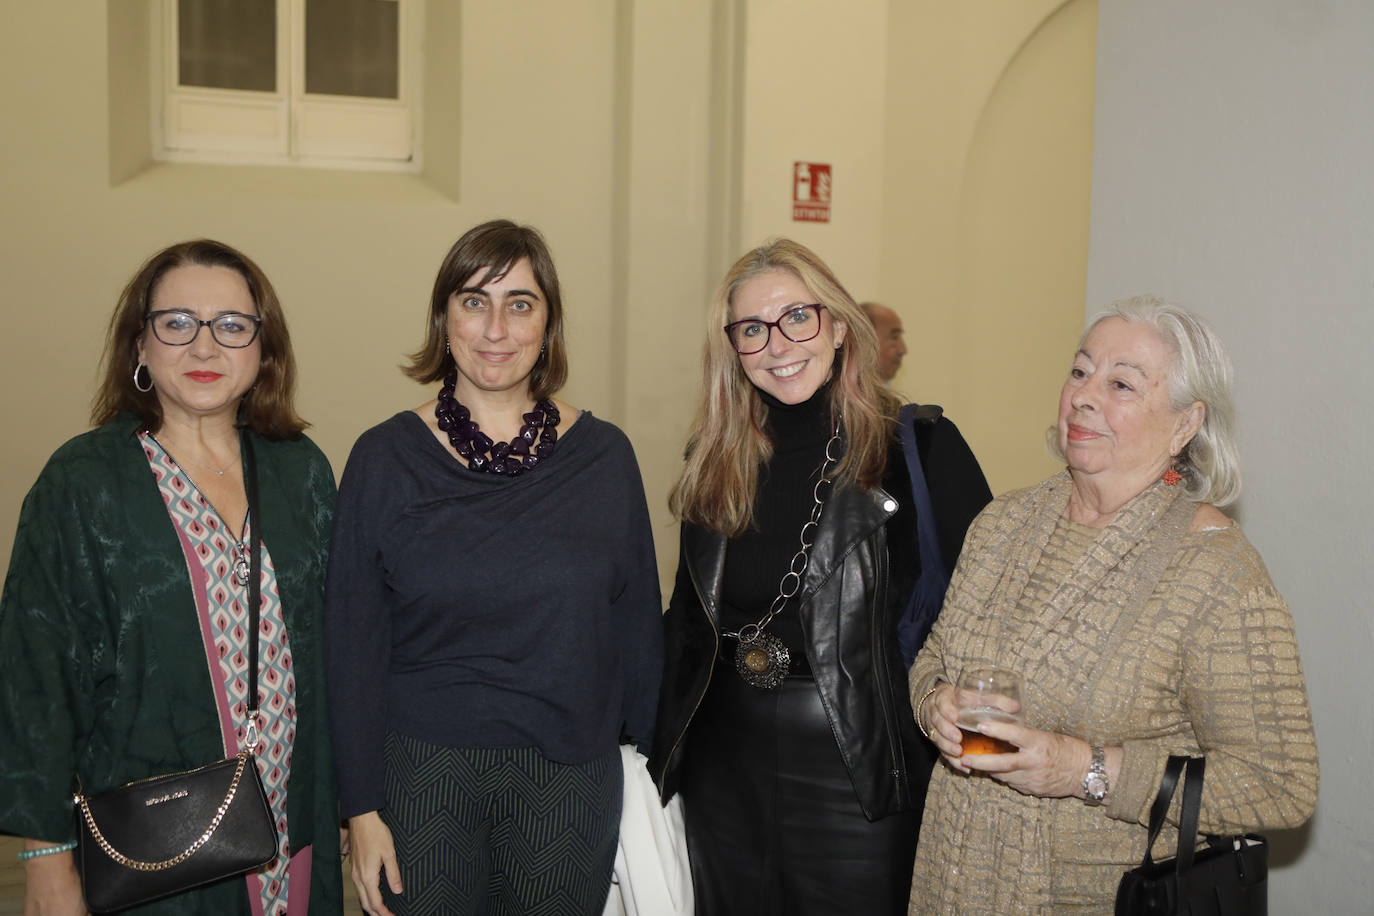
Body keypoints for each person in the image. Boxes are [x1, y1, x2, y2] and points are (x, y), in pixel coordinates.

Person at [908, 297, 1319, 914]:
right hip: (953, 876)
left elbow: (1280, 785)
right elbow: (934, 656)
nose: (1085, 396)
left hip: (1097, 894)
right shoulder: (1002, 522)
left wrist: (1086, 771)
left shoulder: (1215, 570)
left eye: (1121, 383)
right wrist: (933, 703)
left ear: (1186, 424)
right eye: (1079, 372)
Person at [325, 219, 663, 916]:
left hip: (569, 777)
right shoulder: (384, 458)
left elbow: (637, 628)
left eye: (520, 303)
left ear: (548, 323)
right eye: (474, 301)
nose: (496, 328)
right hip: (422, 777)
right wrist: (358, 810)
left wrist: (660, 770)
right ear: (444, 317)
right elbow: (351, 643)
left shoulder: (605, 458)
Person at [0, 239, 344, 914]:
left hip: (291, 818)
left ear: (262, 348)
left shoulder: (300, 470)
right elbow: (34, 677)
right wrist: (44, 857)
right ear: (140, 345)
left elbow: (343, 648)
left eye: (232, 326)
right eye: (177, 323)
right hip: (155, 844)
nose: (205, 349)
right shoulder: (83, 483)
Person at [649, 239, 992, 915]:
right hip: (723, 767)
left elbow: (990, 613)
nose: (777, 345)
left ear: (838, 325)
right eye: (752, 329)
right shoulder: (714, 458)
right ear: (732, 349)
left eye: (797, 317)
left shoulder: (917, 448)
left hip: (858, 770)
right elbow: (688, 621)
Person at [860, 301, 907, 383]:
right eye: (894, 337)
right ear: (865, 339)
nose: (902, 350)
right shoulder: (839, 394)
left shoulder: (886, 391)